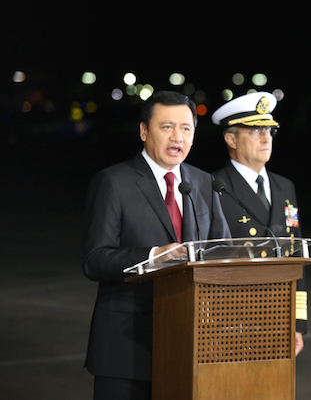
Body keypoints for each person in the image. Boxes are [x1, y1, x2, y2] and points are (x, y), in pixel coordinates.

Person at [83, 91, 230, 400]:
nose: (177, 136)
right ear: (143, 131)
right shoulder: (114, 182)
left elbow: (224, 252)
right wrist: (153, 256)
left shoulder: (204, 183)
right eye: (167, 127)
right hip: (127, 345)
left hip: (190, 342)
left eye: (186, 128)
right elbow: (95, 260)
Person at [210, 91, 307, 355]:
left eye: (269, 131)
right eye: (254, 131)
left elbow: (296, 253)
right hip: (232, 318)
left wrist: (298, 322)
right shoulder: (213, 187)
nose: (266, 138)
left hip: (279, 313)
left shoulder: (284, 186)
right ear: (231, 139)